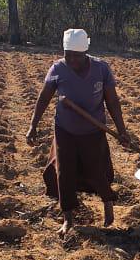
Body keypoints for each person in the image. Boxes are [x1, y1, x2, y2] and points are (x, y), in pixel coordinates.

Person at [26, 28, 132, 236]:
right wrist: (33, 125)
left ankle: (107, 201)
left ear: (85, 53)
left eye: (77, 56)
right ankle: (68, 218)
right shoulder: (58, 69)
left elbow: (112, 101)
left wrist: (122, 131)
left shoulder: (101, 69)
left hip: (93, 129)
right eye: (69, 55)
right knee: (64, 171)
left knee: (96, 169)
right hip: (65, 129)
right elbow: (44, 97)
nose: (73, 60)